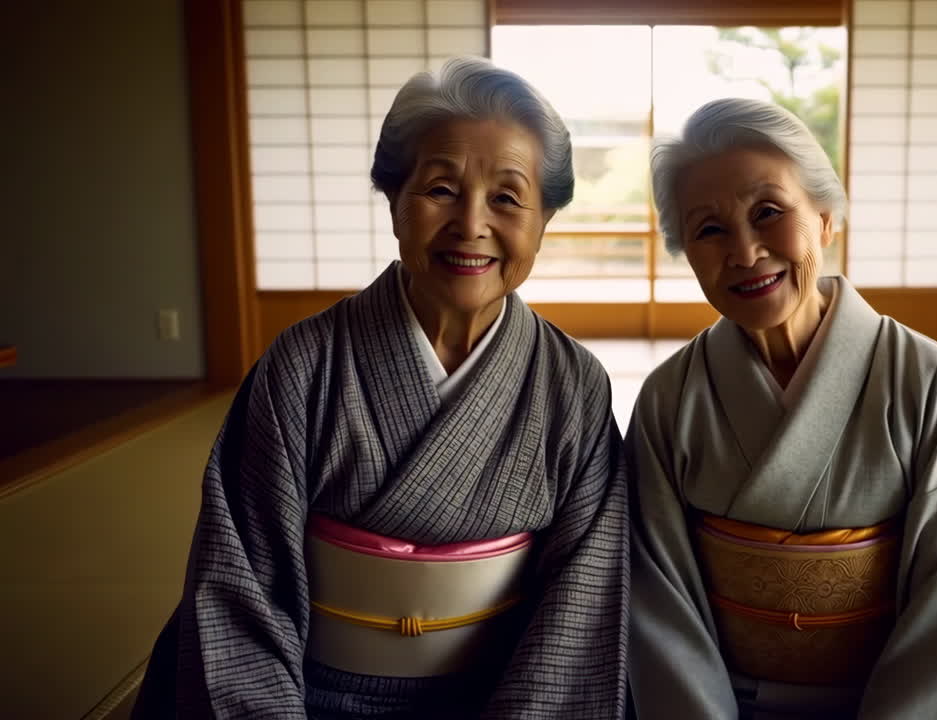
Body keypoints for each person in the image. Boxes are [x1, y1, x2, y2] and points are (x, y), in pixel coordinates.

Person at [133, 57, 629, 719]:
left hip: (500, 696)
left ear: (544, 221)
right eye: (441, 189)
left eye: (508, 198)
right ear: (395, 200)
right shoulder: (303, 366)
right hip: (310, 696)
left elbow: (580, 604)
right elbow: (239, 588)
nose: (471, 223)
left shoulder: (574, 387)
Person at [627, 98, 937, 719]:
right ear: (685, 249)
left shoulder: (928, 380)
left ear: (826, 218)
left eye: (769, 213)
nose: (744, 253)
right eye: (709, 229)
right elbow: (657, 601)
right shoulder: (670, 397)